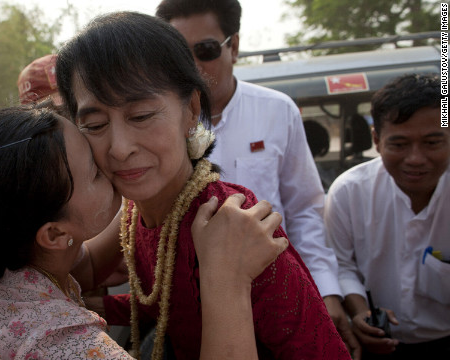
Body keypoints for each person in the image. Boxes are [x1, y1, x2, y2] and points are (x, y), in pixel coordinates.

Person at [55, 11, 349, 360]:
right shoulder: (135, 212)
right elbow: (162, 302)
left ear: (191, 109)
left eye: (141, 116)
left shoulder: (234, 226)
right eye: (95, 124)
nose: (120, 148)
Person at [0, 103, 289, 360]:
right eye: (93, 169)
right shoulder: (63, 344)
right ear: (56, 235)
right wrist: (226, 278)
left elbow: (86, 266)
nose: (113, 155)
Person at [153, 2, 359, 358]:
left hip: (279, 295)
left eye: (205, 50)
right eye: (176, 53)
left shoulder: (277, 111)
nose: (191, 66)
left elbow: (305, 211)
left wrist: (326, 291)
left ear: (233, 46)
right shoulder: (155, 125)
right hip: (190, 306)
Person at [325, 74, 449, 359]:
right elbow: (341, 265)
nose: (416, 158)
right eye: (400, 144)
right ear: (377, 141)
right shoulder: (348, 192)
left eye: (432, 143)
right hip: (378, 346)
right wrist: (362, 313)